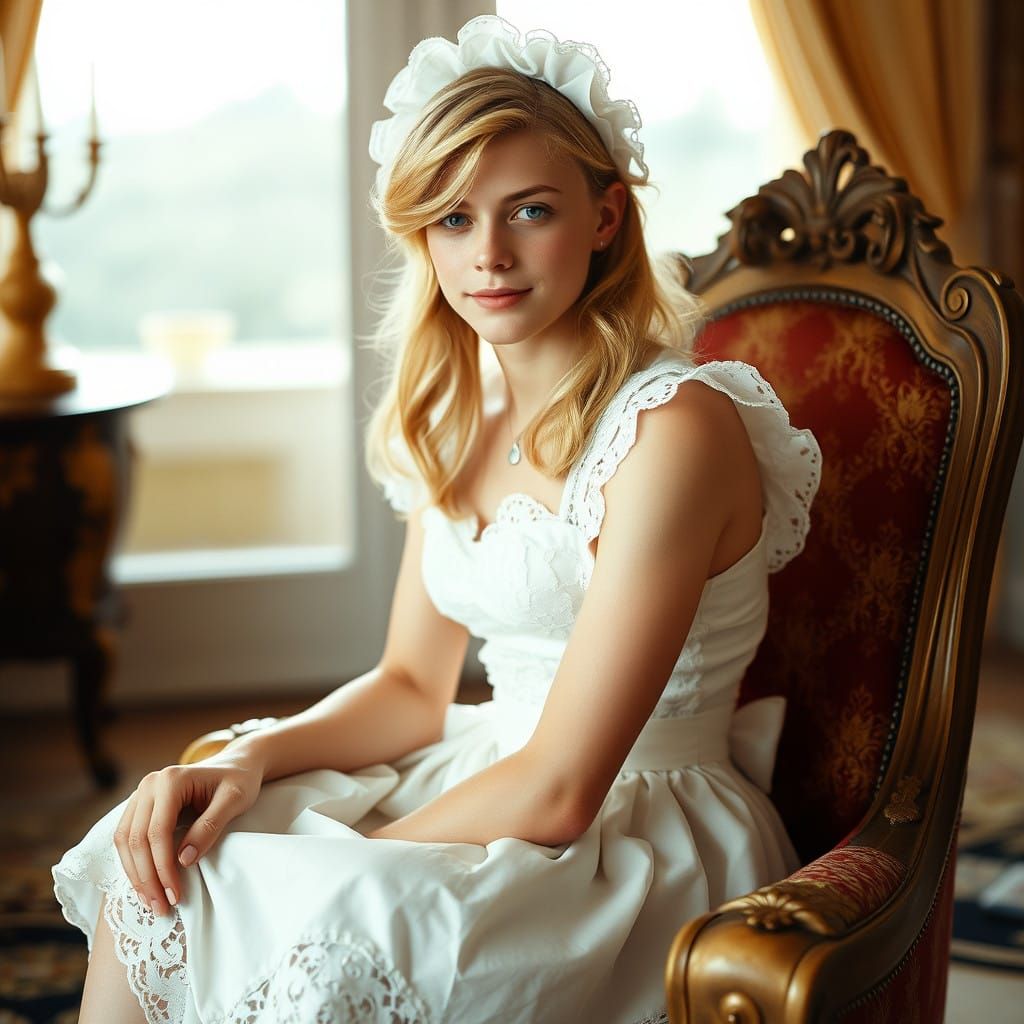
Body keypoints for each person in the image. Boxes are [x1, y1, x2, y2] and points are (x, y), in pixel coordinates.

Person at [54, 15, 821, 1024]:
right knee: (160, 853)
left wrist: (332, 871)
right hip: (485, 764)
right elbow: (414, 686)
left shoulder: (673, 430)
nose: (489, 254)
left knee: (288, 905)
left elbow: (559, 790)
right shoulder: (455, 414)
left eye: (528, 210)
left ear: (604, 216)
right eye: (453, 219)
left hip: (630, 827)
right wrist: (243, 757)